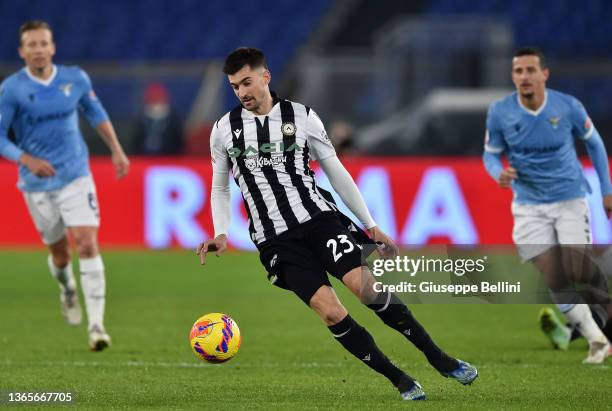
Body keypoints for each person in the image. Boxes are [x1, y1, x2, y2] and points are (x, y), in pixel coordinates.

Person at [196, 47, 477, 401]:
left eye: (247, 82)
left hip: (318, 221)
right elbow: (220, 185)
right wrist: (221, 232)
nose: (242, 92)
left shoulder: (302, 117)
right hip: (275, 242)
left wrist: (370, 224)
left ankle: (440, 358)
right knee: (330, 312)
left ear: (265, 77)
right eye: (235, 86)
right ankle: (400, 380)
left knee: (366, 288)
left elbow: (336, 171)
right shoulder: (224, 129)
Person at [0, 21, 130, 351]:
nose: (39, 49)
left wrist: (116, 149)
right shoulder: (12, 90)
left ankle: (98, 327)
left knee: (87, 243)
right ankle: (67, 286)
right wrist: (24, 159)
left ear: (53, 47)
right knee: (60, 255)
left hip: (75, 175)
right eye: (32, 44)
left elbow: (95, 112)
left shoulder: (75, 78)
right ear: (22, 51)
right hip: (36, 184)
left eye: (44, 43)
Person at [483, 47, 612, 363]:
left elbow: (594, 144)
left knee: (577, 267)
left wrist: (606, 191)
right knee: (554, 277)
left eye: (530, 70)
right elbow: (490, 154)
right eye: (518, 71)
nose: (524, 77)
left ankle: (601, 317)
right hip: (528, 205)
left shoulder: (567, 106)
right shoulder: (500, 112)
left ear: (544, 74)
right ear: (513, 76)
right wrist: (498, 172)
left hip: (569, 198)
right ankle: (597, 339)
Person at [132, 82, 184, 155]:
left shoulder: (173, 119)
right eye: (153, 97)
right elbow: (135, 141)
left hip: (169, 157)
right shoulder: (141, 118)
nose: (156, 100)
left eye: (158, 97)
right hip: (144, 157)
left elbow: (179, 141)